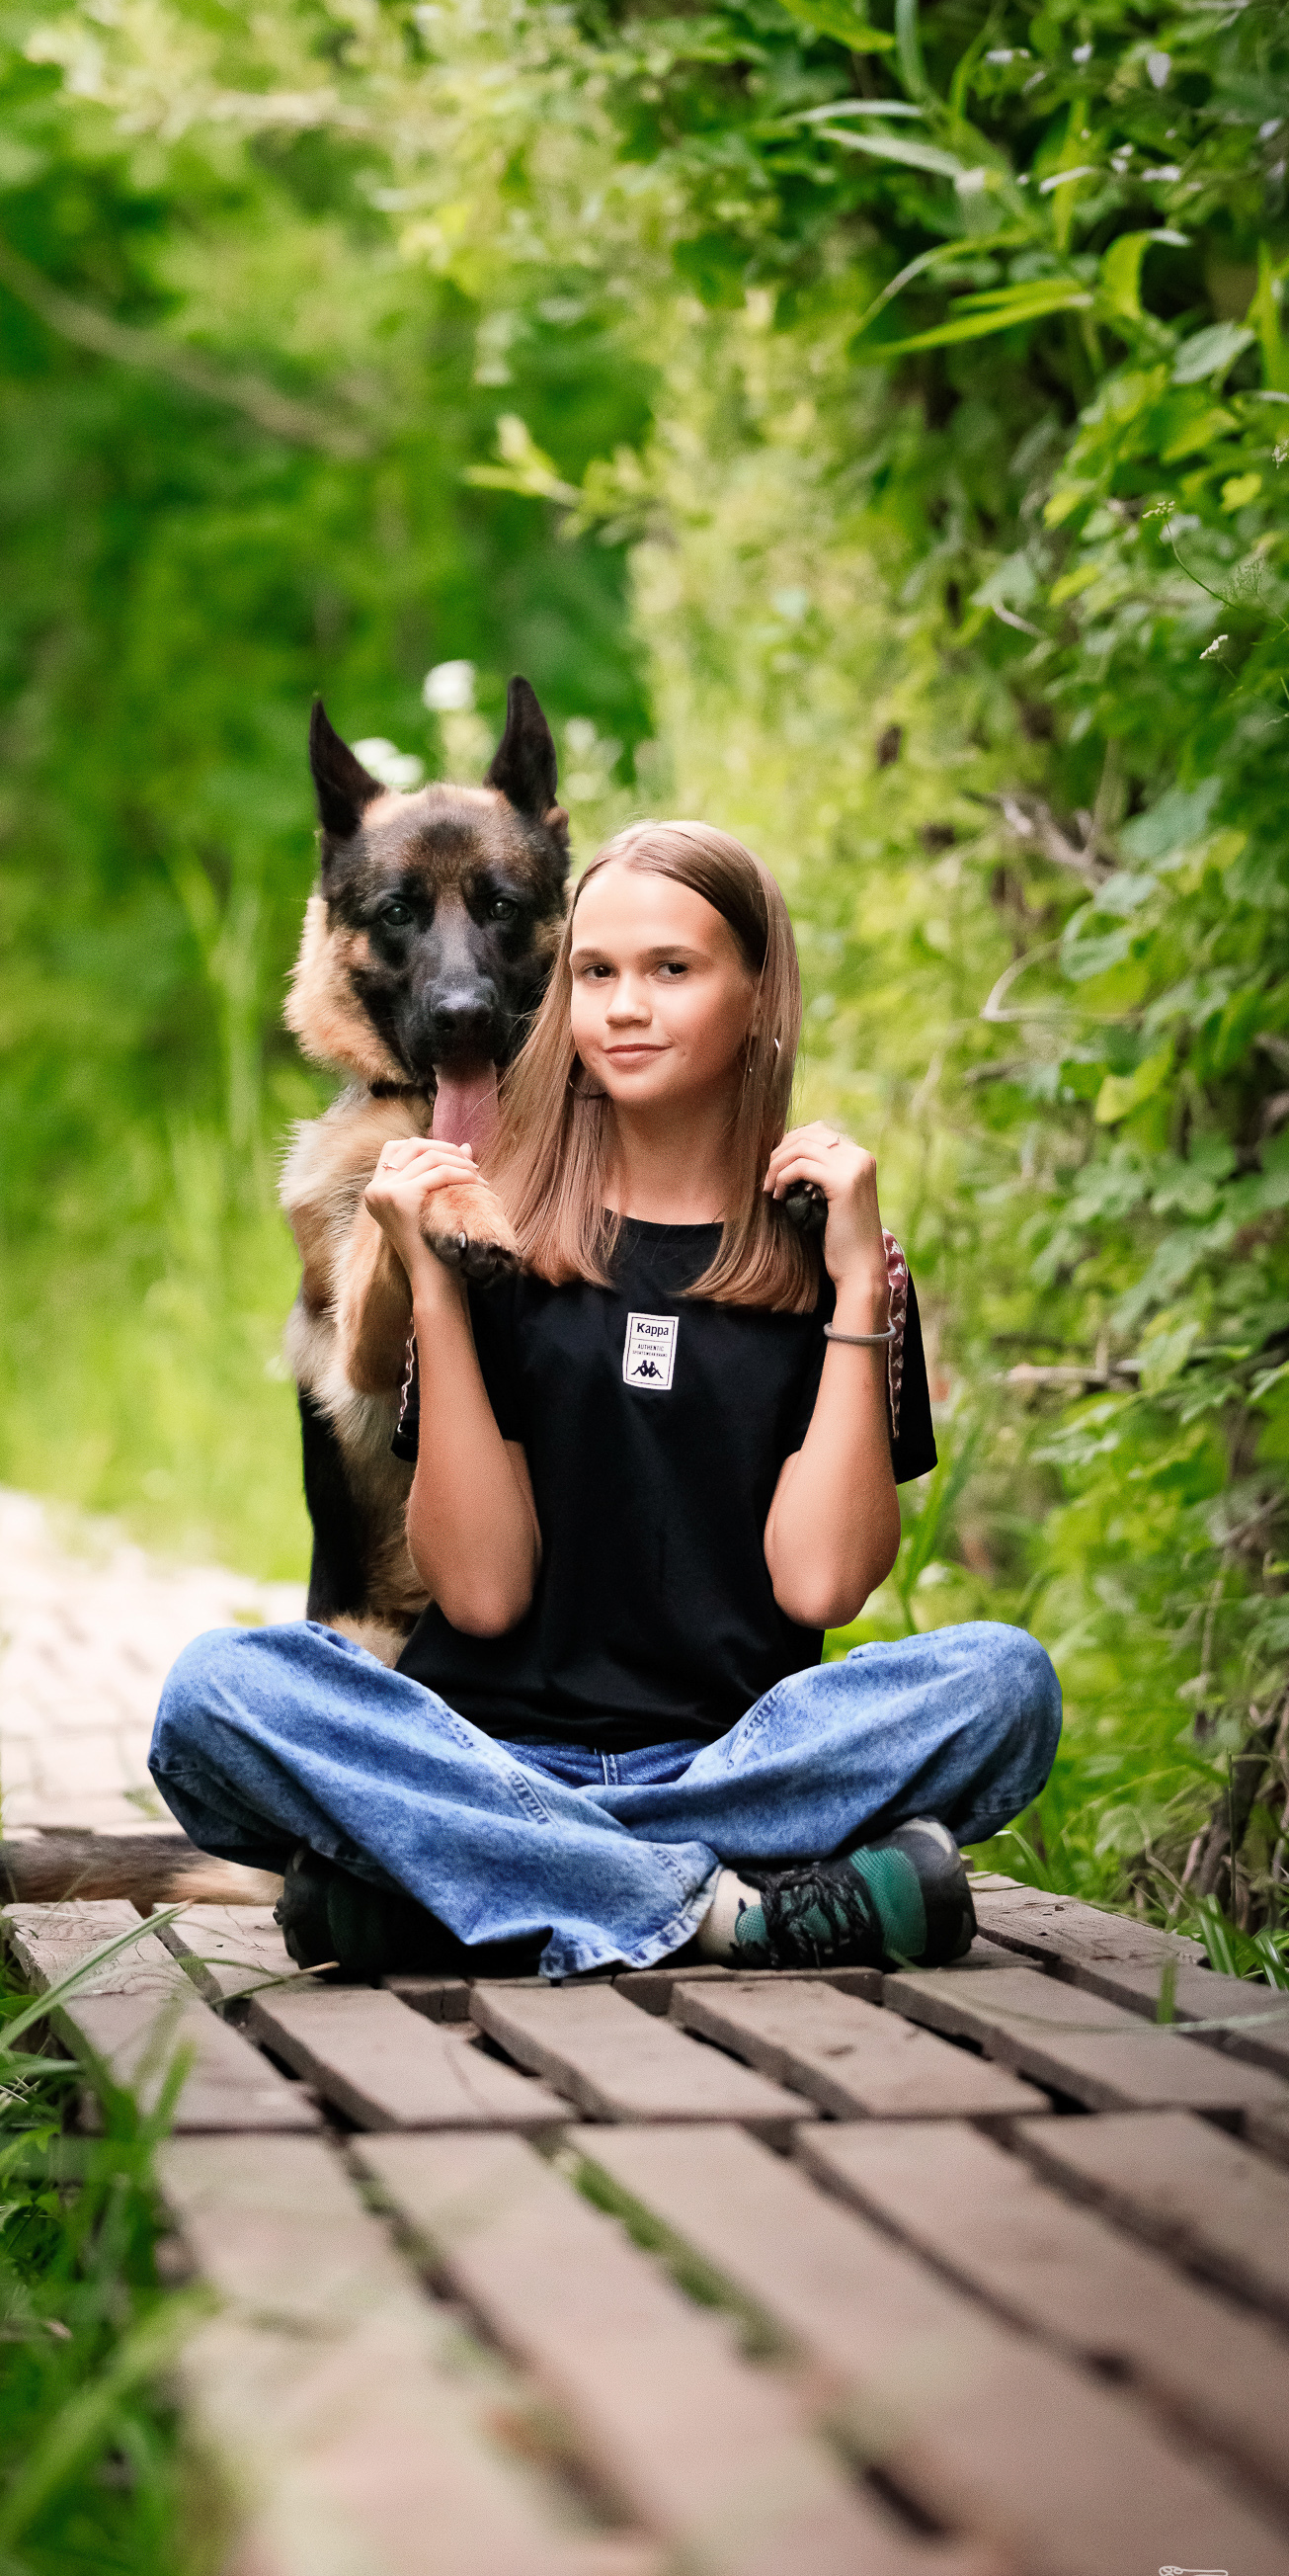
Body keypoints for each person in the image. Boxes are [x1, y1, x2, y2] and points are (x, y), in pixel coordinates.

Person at [149, 821, 1060, 1979]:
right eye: (595, 973)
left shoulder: (829, 1253)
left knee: (1002, 1684)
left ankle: (458, 1893)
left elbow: (820, 1583)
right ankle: (727, 1914)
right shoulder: (494, 1233)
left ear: (759, 992)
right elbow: (478, 1596)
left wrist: (850, 1286)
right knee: (214, 1697)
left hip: (742, 1760)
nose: (624, 1005)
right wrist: (431, 1284)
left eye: (669, 970)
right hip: (483, 1752)